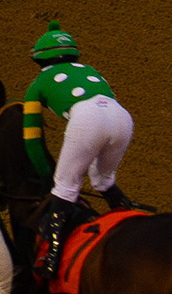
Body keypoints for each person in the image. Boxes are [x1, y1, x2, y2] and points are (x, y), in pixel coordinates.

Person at [16, 23, 134, 278]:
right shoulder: (91, 70)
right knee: (102, 179)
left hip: (86, 118)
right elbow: (107, 108)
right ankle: (129, 212)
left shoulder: (37, 85)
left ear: (39, 58)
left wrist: (47, 175)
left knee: (65, 188)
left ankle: (52, 257)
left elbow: (32, 141)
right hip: (122, 117)